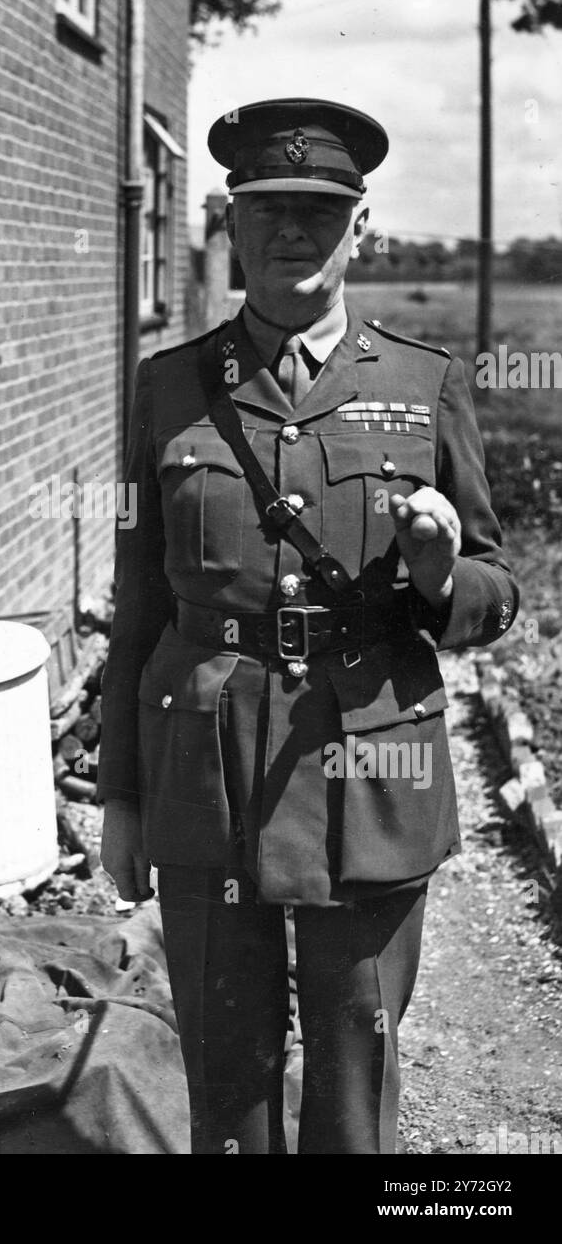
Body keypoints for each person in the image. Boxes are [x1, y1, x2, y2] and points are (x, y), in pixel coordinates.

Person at [97, 98, 519, 1155]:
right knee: (224, 1068)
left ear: (361, 226)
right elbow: (137, 602)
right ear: (229, 225)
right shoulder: (165, 388)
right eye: (269, 208)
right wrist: (120, 796)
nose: (294, 230)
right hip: (207, 769)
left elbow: (497, 590)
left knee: (354, 1064)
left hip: (370, 764)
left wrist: (436, 574)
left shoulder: (424, 386)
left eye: (319, 212)